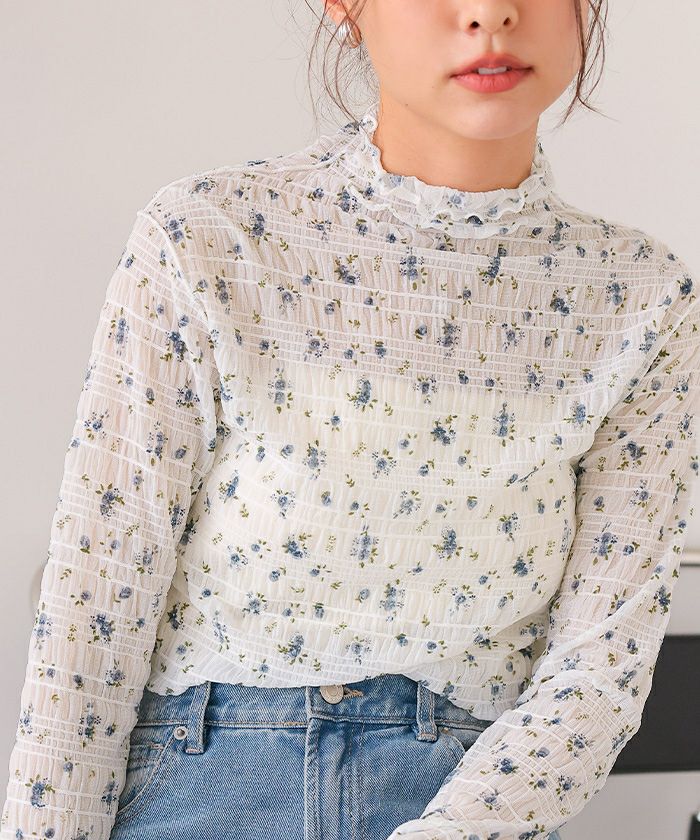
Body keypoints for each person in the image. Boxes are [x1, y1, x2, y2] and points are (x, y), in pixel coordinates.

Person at [2, 1, 698, 838]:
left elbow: (599, 672)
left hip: (465, 805)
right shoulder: (208, 238)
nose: (492, 14)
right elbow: (96, 601)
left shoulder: (641, 299)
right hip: (196, 790)